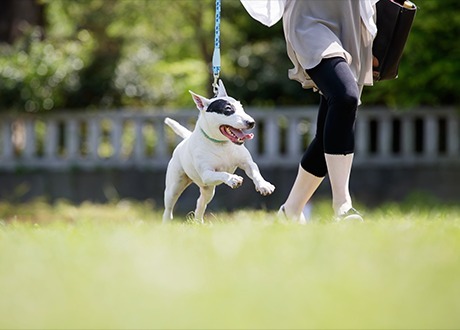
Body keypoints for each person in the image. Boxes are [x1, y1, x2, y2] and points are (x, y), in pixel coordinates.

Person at [241, 0, 379, 222]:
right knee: (345, 97)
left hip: (352, 18)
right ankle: (343, 205)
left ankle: (290, 211)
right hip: (309, 17)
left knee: (332, 128)